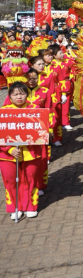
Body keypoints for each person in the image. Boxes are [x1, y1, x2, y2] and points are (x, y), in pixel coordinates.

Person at [0, 83, 47, 220]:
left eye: (22, 93)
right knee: (10, 181)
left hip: (31, 153)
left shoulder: (35, 109)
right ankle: (15, 206)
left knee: (30, 179)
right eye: (15, 94)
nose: (19, 97)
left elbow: (41, 130)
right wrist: (9, 149)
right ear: (9, 96)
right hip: (7, 155)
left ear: (27, 94)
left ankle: (30, 206)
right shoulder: (4, 111)